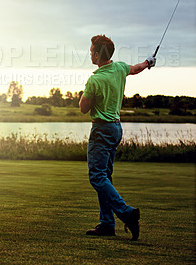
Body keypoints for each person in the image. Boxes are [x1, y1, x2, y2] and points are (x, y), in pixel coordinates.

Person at [79, 34, 156, 241]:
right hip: (116, 129)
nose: (89, 53)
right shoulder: (120, 67)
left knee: (97, 176)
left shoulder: (95, 79)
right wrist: (149, 62)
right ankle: (106, 224)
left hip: (102, 130)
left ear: (96, 54)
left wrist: (89, 94)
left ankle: (126, 213)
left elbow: (83, 108)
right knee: (105, 176)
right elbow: (137, 68)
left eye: (91, 50)